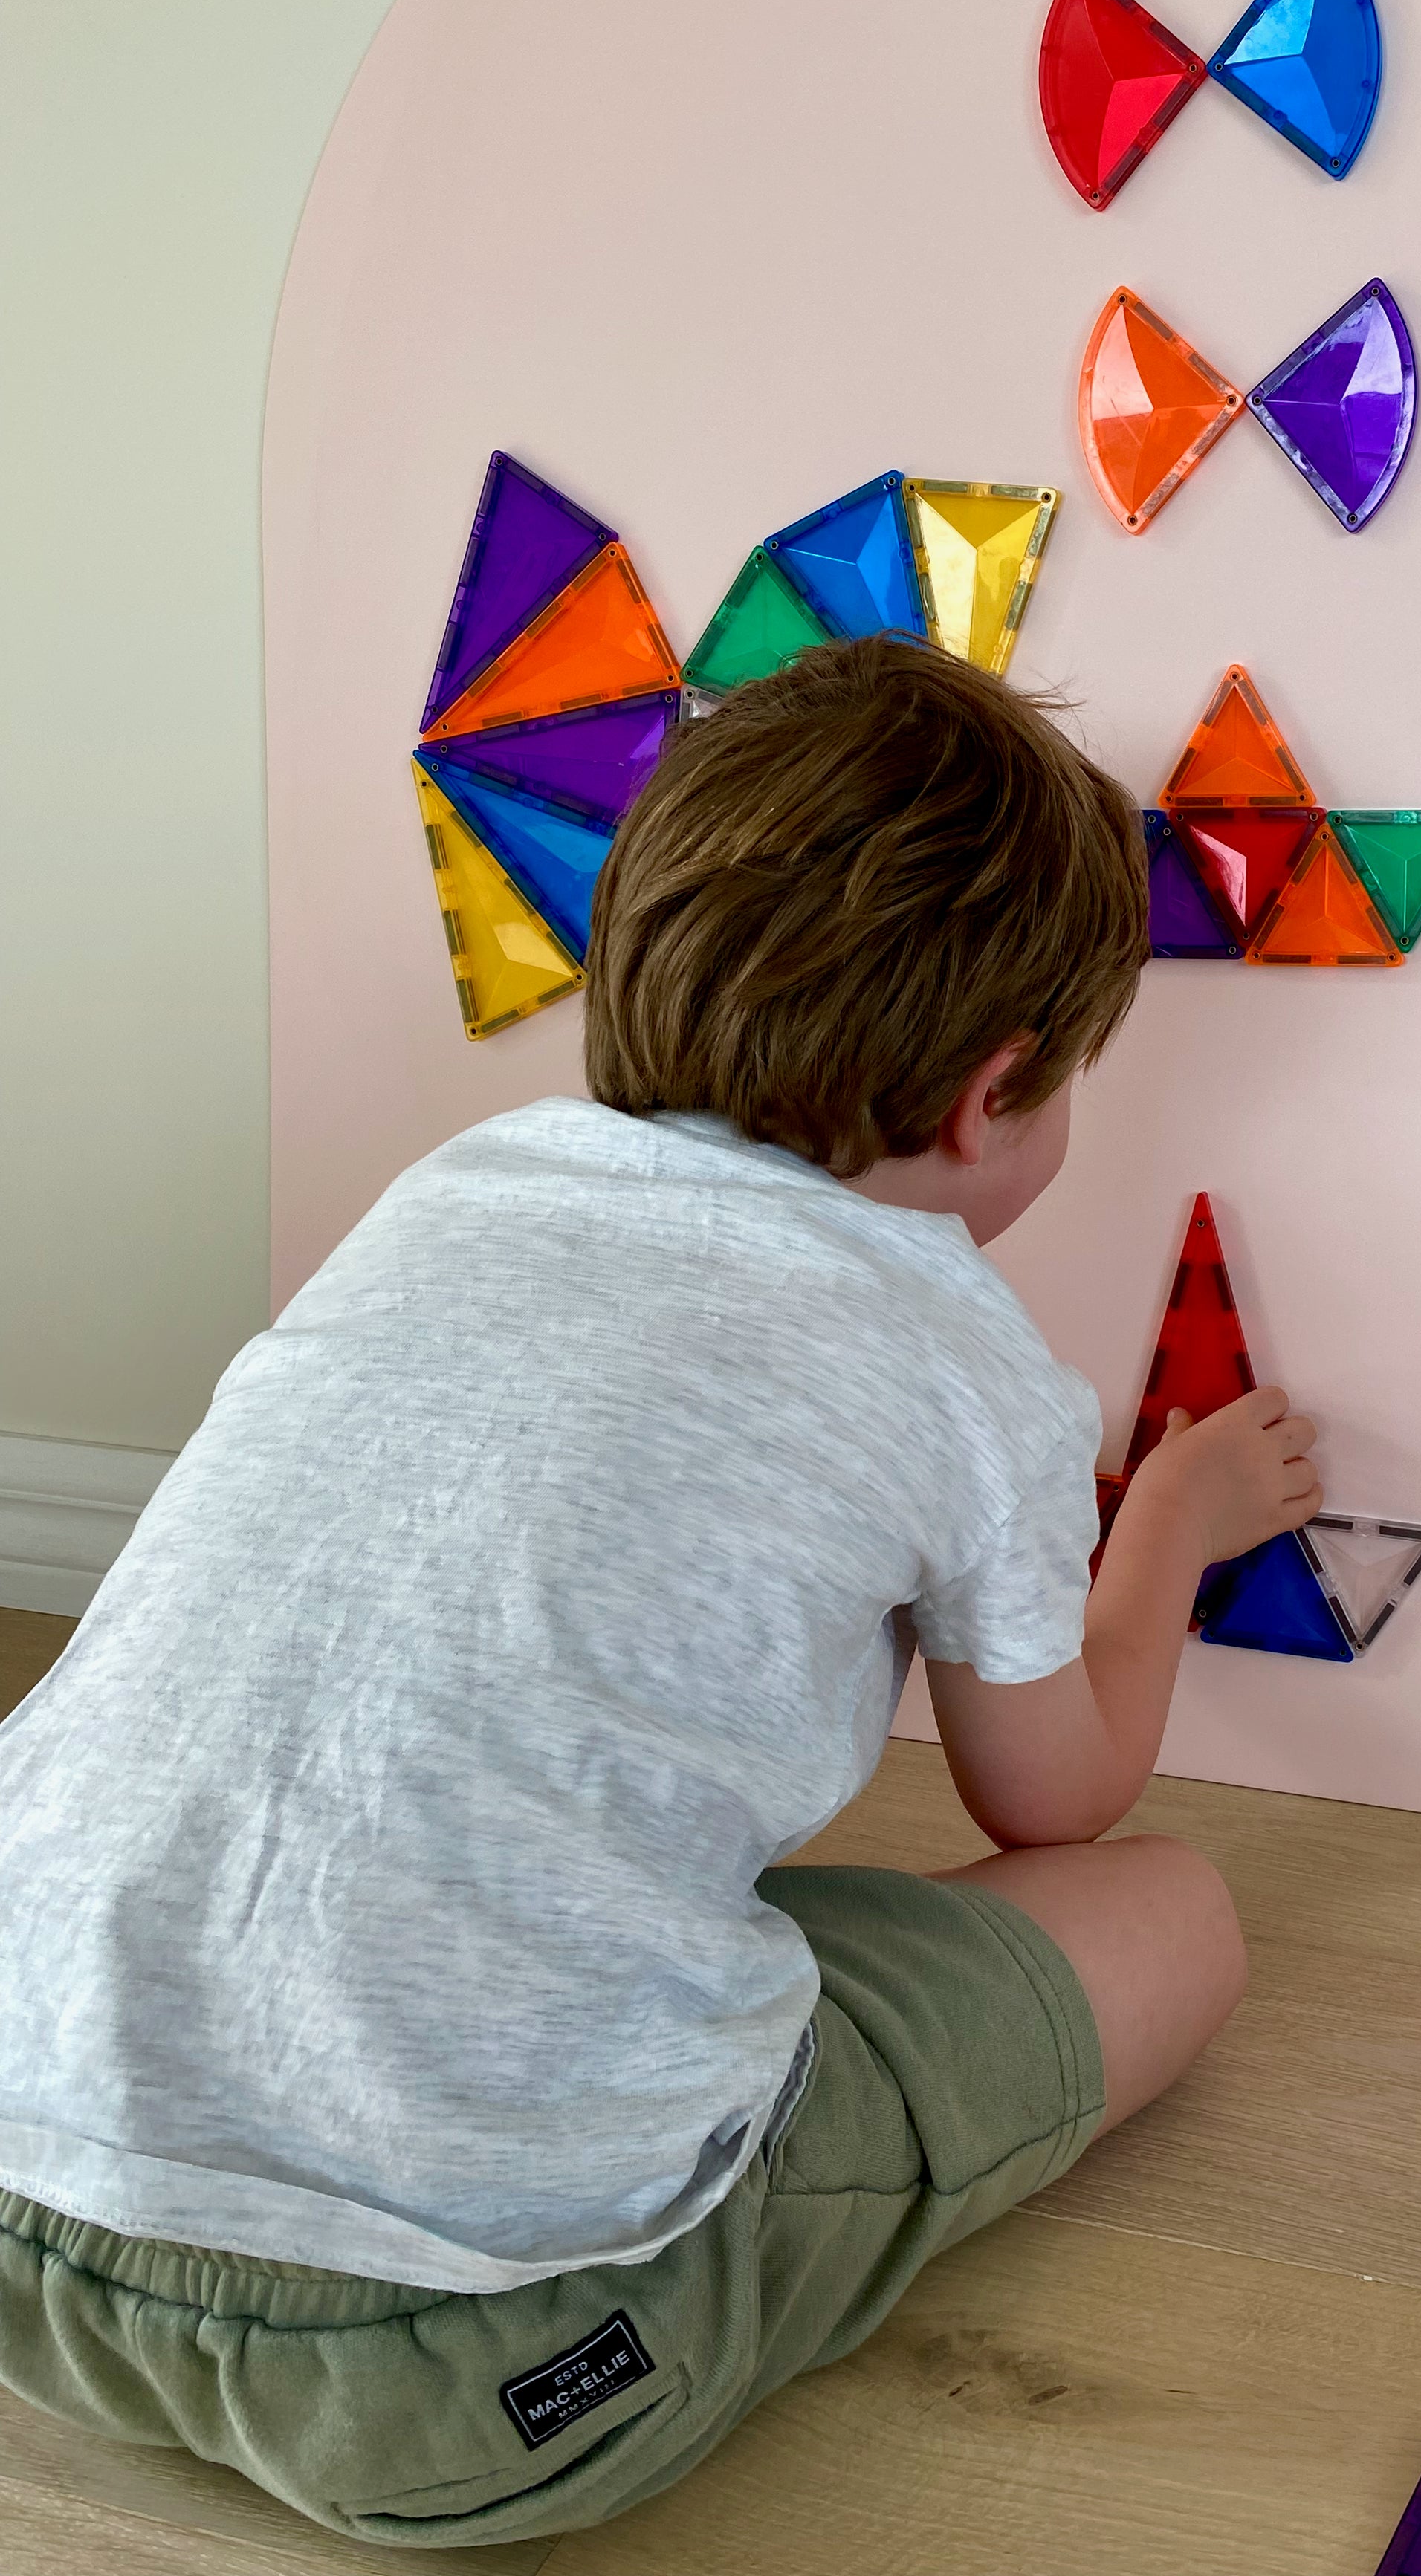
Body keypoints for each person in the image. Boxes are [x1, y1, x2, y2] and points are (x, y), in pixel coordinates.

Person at [0, 634, 1321, 2546]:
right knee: (1174, 1915)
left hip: (27, 2191)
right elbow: (1058, 1800)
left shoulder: (454, 1193)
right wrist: (1172, 1524)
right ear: (997, 1091)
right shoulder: (956, 1354)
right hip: (468, 2365)